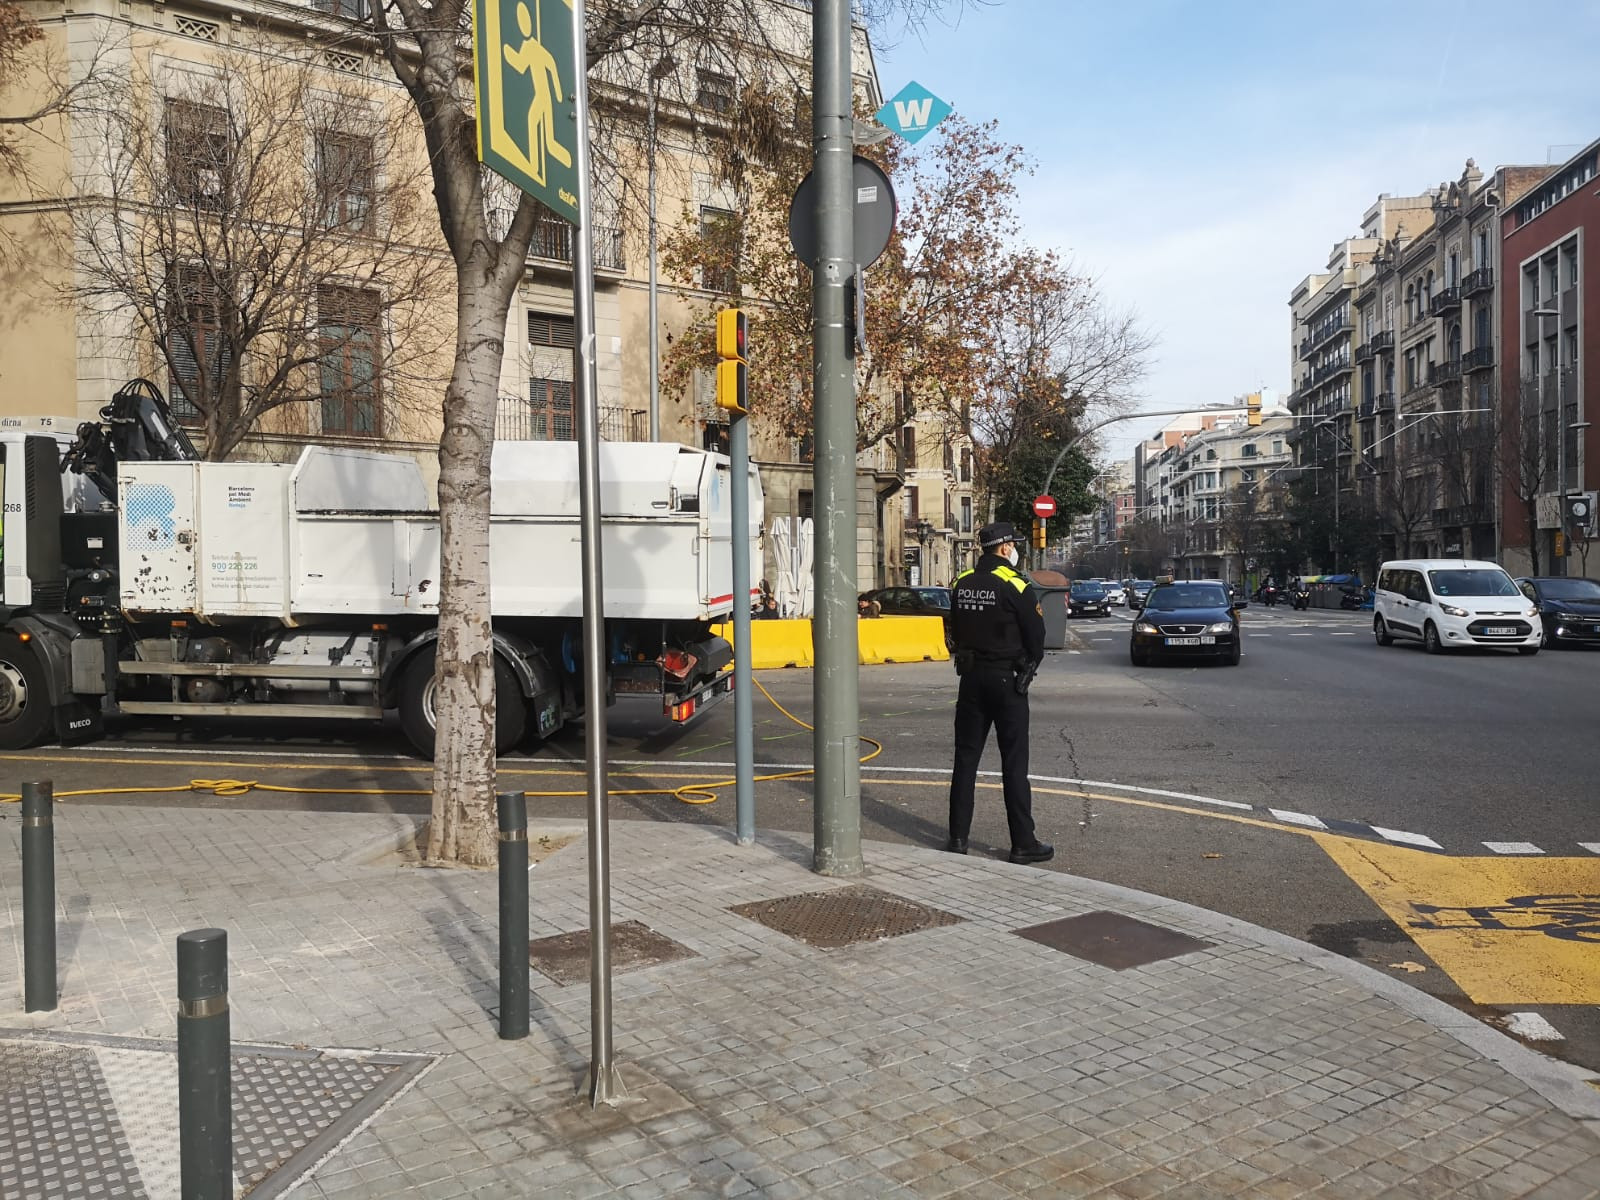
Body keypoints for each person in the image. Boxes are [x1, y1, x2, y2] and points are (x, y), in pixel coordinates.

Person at [945, 521, 1053, 865]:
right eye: (1014, 545)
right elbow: (1037, 638)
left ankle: (958, 837)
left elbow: (953, 630)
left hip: (971, 678)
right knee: (1014, 763)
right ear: (1005, 548)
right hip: (1007, 681)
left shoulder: (961, 583)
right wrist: (1025, 662)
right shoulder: (1015, 584)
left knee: (965, 760)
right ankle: (1023, 842)